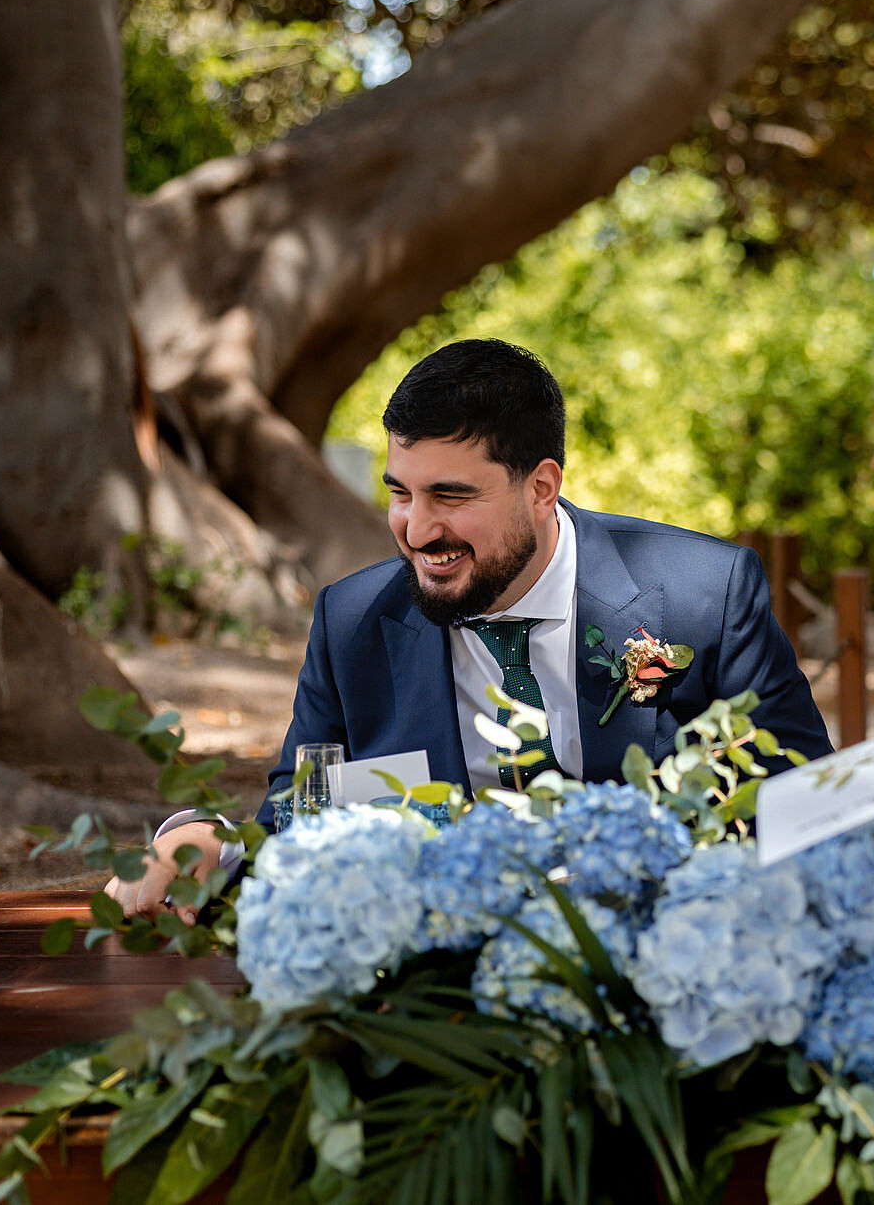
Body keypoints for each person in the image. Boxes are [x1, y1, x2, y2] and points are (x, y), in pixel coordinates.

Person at [108, 339, 832, 917]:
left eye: (450, 496)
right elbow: (302, 823)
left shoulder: (705, 595)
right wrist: (202, 840)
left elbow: (799, 802)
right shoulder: (352, 624)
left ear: (540, 487)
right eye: (400, 493)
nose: (417, 530)